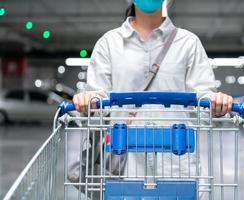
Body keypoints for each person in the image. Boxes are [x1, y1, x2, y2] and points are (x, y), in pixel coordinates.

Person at [71, 0, 234, 197]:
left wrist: (217, 101)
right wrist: (89, 99)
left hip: (176, 163)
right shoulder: (109, 43)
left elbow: (203, 98)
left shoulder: (188, 43)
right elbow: (98, 98)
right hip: (125, 165)